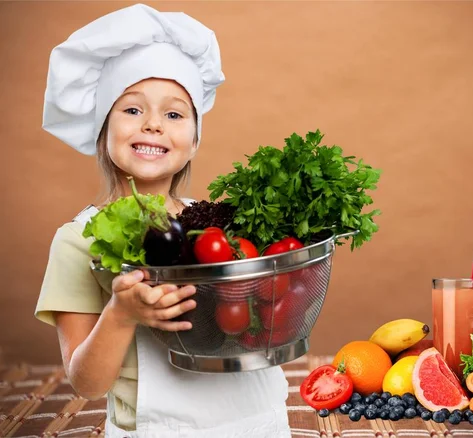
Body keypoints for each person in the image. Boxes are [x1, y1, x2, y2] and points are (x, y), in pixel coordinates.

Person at [34, 4, 291, 437]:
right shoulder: (78, 241)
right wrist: (120, 313)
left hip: (258, 422)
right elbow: (87, 383)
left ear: (193, 140)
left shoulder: (221, 228)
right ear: (103, 128)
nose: (153, 125)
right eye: (132, 110)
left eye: (174, 115)